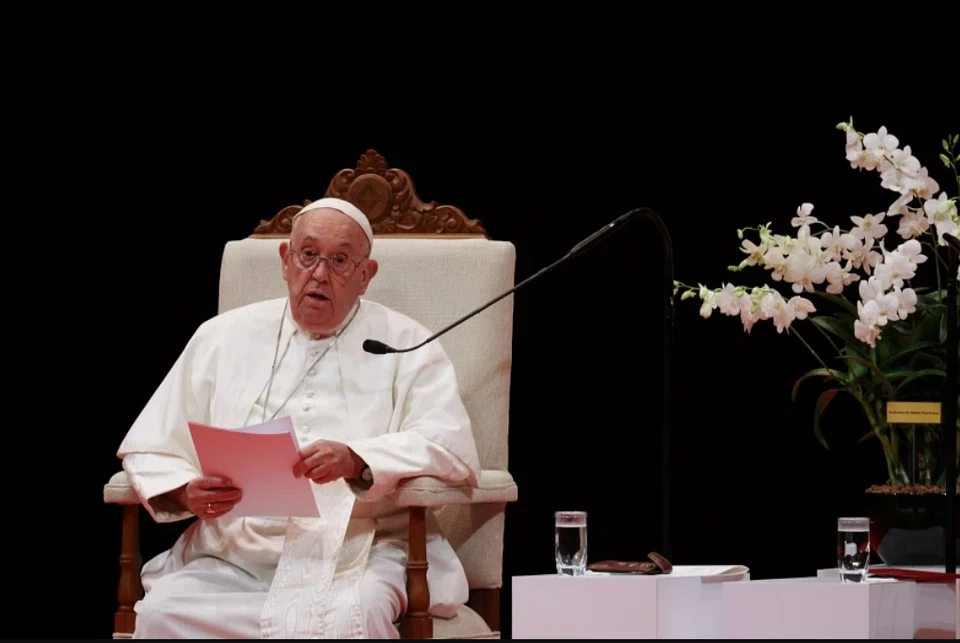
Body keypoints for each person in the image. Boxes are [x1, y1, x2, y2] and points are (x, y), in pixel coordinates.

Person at [117, 197, 482, 639]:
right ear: (285, 261)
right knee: (161, 614)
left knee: (359, 614)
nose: (320, 275)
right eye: (308, 255)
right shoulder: (220, 338)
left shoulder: (406, 344)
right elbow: (151, 445)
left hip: (361, 547)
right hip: (236, 550)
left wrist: (358, 458)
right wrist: (184, 491)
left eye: (340, 261)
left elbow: (449, 446)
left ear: (366, 276)